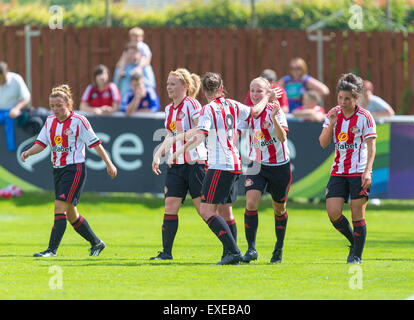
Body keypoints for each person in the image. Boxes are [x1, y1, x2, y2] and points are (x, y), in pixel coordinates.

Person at [169, 72, 279, 265]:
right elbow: (255, 111)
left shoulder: (207, 109)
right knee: (224, 212)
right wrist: (268, 97)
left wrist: (179, 151)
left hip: (219, 165)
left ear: (204, 91)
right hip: (235, 164)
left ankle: (234, 251)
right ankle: (230, 253)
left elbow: (200, 136)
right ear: (221, 88)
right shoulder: (234, 105)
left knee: (206, 211)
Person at [20, 84, 117, 257]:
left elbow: (95, 143)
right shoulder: (50, 121)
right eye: (52, 106)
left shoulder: (79, 121)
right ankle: (97, 243)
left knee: (59, 207)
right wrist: (28, 152)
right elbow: (41, 144)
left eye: (59, 105)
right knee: (72, 214)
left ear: (68, 104)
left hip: (74, 169)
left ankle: (51, 250)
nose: (55, 109)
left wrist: (109, 163)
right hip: (57, 170)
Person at [319, 73, 377, 265]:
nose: (342, 102)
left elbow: (371, 146)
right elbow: (322, 143)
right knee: (333, 212)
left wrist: (368, 171)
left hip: (358, 172)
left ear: (355, 98)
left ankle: (356, 256)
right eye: (340, 98)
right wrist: (332, 123)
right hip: (338, 171)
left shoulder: (365, 117)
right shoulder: (333, 113)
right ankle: (355, 243)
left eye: (347, 99)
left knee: (357, 214)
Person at [150, 68, 207, 260]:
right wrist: (158, 154)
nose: (169, 87)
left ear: (185, 86)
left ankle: (231, 248)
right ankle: (166, 253)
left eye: (173, 84)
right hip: (176, 165)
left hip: (195, 164)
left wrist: (178, 141)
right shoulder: (168, 109)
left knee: (204, 211)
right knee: (170, 205)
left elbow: (200, 129)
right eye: (167, 84)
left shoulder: (191, 104)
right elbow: (170, 135)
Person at [238, 77, 291, 263]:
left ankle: (279, 247)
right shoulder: (248, 113)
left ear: (268, 92)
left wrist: (276, 118)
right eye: (252, 90)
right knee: (251, 203)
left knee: (279, 209)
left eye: (259, 91)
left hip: (279, 166)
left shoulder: (274, 109)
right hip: (256, 164)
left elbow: (283, 138)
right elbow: (238, 132)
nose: (254, 94)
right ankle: (251, 249)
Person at [0, 61, 31, 151]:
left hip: (11, 111)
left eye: (1, 78)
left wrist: (16, 109)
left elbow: (26, 98)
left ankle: (11, 151)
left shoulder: (16, 79)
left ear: (6, 73)